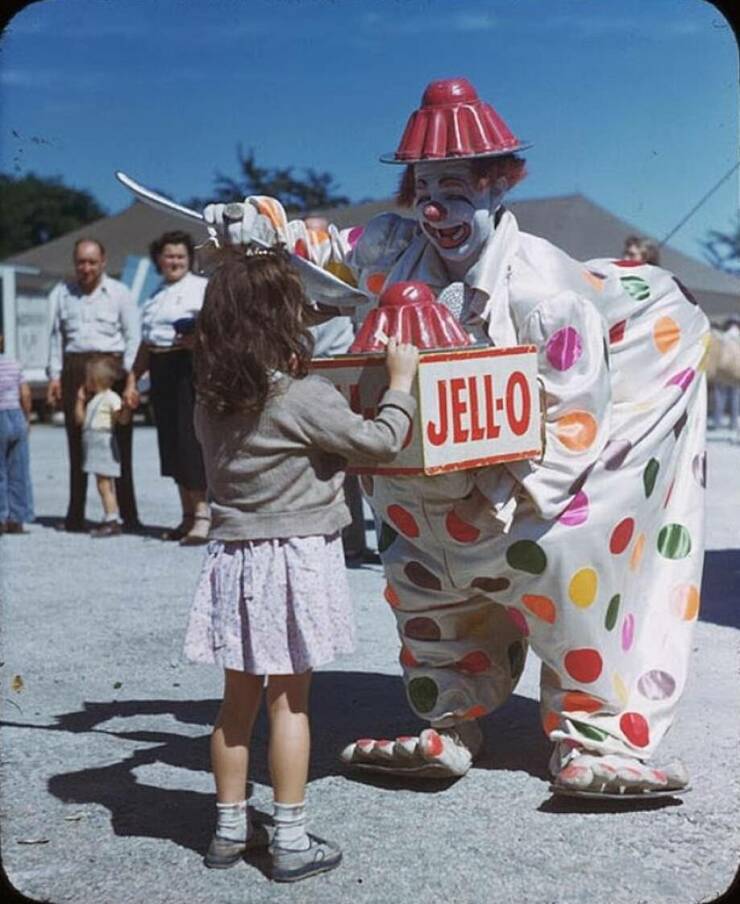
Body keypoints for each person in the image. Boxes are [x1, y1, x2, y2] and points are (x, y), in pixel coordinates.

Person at [203, 76, 709, 799]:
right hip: (430, 473)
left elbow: (572, 420)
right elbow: (329, 247)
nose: (435, 208)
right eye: (424, 188)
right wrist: (264, 226)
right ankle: (448, 719)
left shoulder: (545, 293)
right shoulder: (393, 246)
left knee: (565, 563)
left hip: (521, 481)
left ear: (498, 184)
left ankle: (597, 738)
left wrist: (501, 496)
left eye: (455, 188)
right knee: (421, 580)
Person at [182, 246, 418, 879]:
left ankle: (229, 830)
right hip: (295, 559)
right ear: (282, 319)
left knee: (236, 706)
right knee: (290, 702)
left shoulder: (210, 402)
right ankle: (289, 839)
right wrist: (399, 384)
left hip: (234, 560)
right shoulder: (304, 396)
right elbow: (380, 442)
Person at [46, 239, 141, 532]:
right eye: (81, 262)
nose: (85, 268)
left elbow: (133, 337)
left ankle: (128, 516)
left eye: (91, 262)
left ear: (103, 262)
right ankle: (75, 515)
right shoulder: (62, 293)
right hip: (75, 368)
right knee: (77, 441)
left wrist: (130, 378)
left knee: (119, 443)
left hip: (110, 369)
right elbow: (55, 337)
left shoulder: (120, 293)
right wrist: (54, 376)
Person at [124, 230, 209, 544]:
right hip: (160, 369)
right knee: (170, 443)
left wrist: (197, 339)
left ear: (190, 259)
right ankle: (186, 515)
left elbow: (219, 330)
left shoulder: (201, 288)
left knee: (189, 442)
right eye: (169, 256)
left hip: (189, 366)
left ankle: (203, 515)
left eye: (180, 256)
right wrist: (133, 378)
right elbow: (147, 342)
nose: (174, 262)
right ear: (159, 260)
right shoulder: (155, 294)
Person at [74, 358, 132, 537]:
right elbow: (80, 420)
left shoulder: (111, 397)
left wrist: (126, 408)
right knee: (102, 483)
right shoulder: (94, 400)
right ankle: (110, 515)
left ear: (95, 379)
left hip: (103, 442)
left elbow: (122, 419)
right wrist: (80, 400)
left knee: (105, 484)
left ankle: (112, 519)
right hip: (93, 442)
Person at [0, 336, 34, 534]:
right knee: (19, 470)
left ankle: (1, 518)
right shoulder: (14, 364)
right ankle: (17, 519)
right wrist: (26, 418)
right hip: (16, 415)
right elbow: (26, 394)